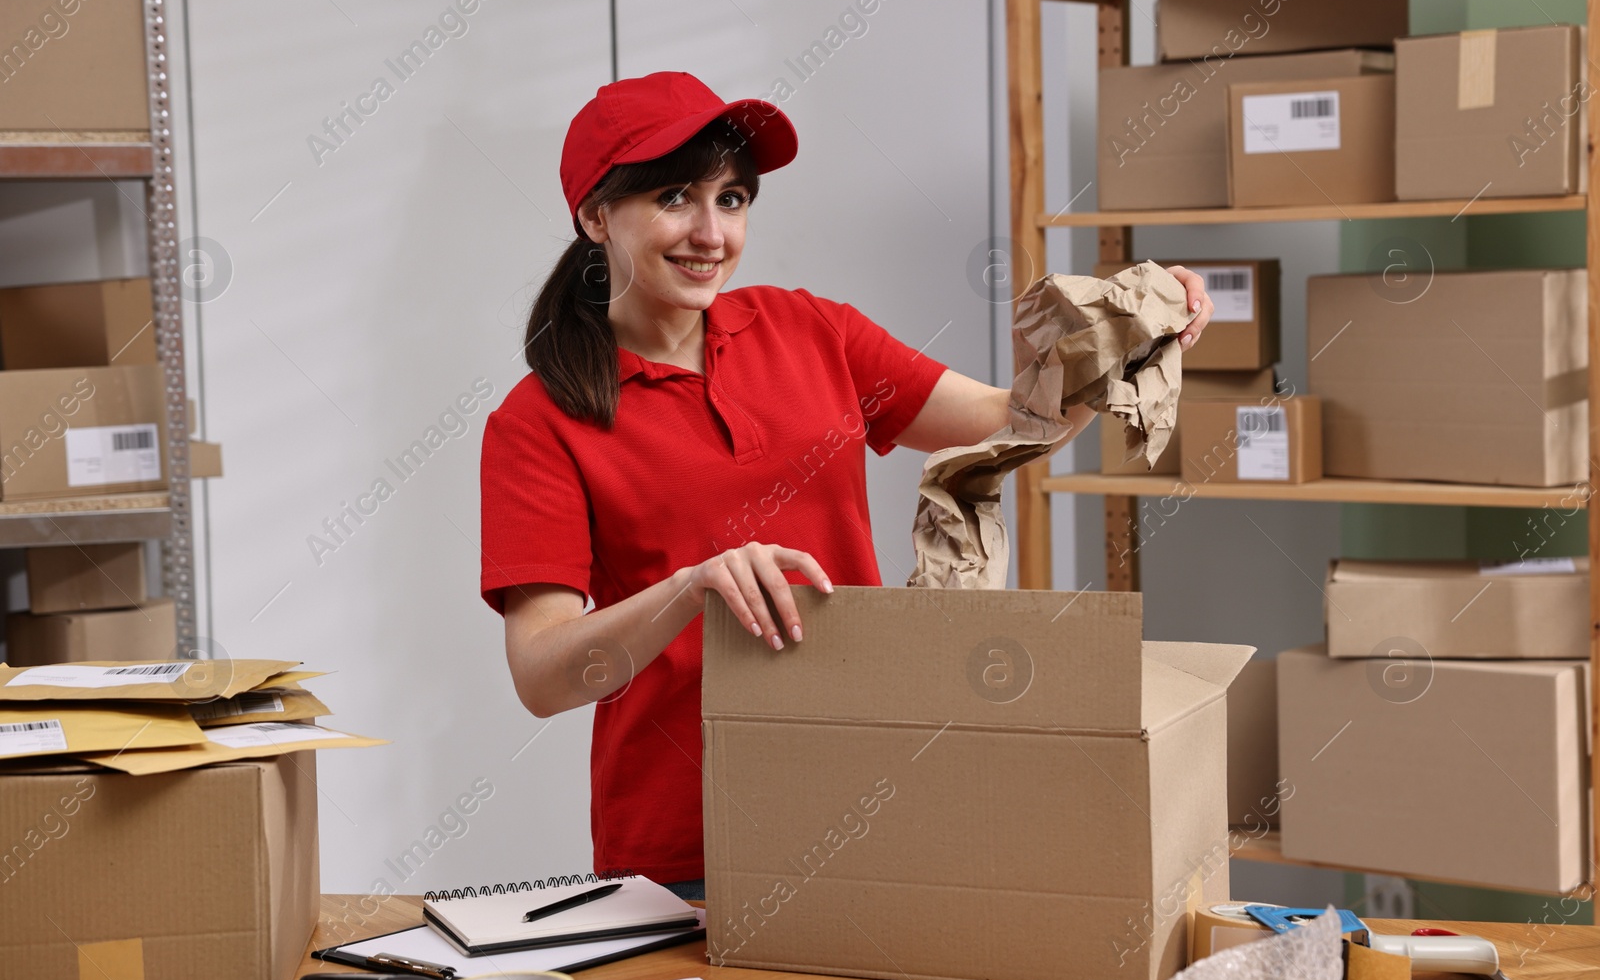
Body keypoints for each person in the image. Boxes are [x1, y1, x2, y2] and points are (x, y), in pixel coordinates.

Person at [479, 71, 1213, 902]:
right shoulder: (537, 422)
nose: (710, 232)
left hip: (872, 797)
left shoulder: (810, 329)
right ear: (595, 215)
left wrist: (1127, 326)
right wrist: (690, 587)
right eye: (675, 196)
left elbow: (1009, 419)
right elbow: (540, 675)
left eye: (732, 199)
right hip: (685, 845)